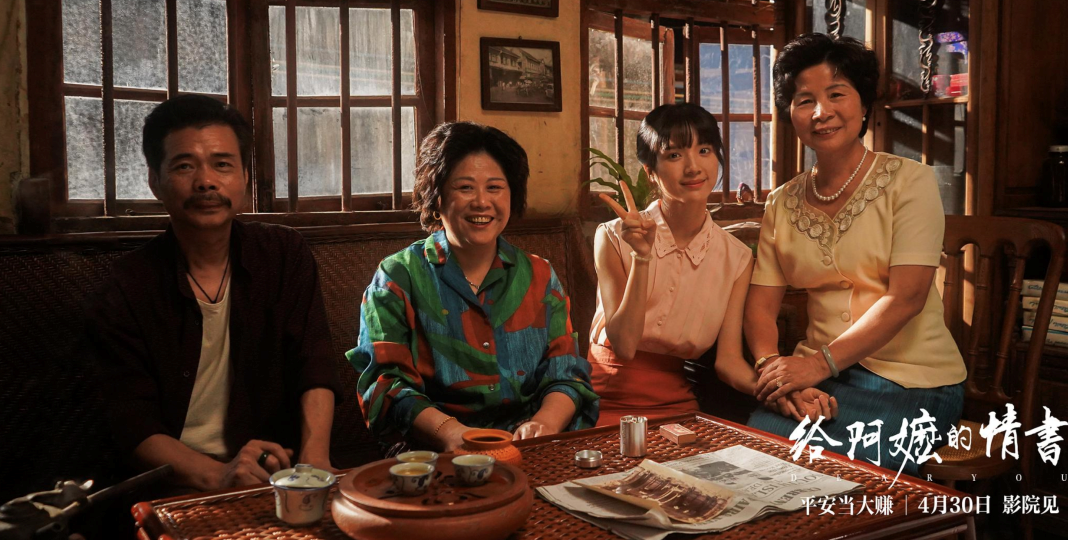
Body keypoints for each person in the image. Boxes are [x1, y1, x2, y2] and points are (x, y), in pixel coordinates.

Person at [88, 94, 342, 492]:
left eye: (222, 164)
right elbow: (130, 420)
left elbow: (314, 364)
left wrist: (313, 463)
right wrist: (217, 475)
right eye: (185, 165)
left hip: (274, 473)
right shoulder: (127, 285)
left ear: (245, 176)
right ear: (154, 181)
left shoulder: (283, 255)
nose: (206, 181)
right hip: (175, 484)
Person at [744, 33, 967, 471]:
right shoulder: (782, 202)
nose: (821, 112)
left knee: (841, 480)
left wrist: (818, 365)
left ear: (864, 104)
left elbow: (907, 297)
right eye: (804, 100)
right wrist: (776, 372)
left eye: (836, 94)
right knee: (754, 463)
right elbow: (760, 308)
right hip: (814, 381)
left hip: (912, 382)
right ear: (790, 113)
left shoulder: (911, 182)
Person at [348, 121, 599, 451]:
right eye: (465, 187)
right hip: (433, 451)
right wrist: (450, 433)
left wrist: (545, 424)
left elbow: (566, 372)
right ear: (436, 196)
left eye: (495, 187)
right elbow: (384, 385)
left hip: (529, 448)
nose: (482, 202)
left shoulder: (540, 275)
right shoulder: (397, 277)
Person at [587, 103, 837, 427]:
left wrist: (782, 393)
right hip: (604, 397)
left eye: (704, 150)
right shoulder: (612, 237)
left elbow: (728, 363)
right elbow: (623, 344)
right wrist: (642, 257)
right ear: (650, 171)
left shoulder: (736, 258)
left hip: (677, 401)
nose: (693, 167)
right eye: (674, 155)